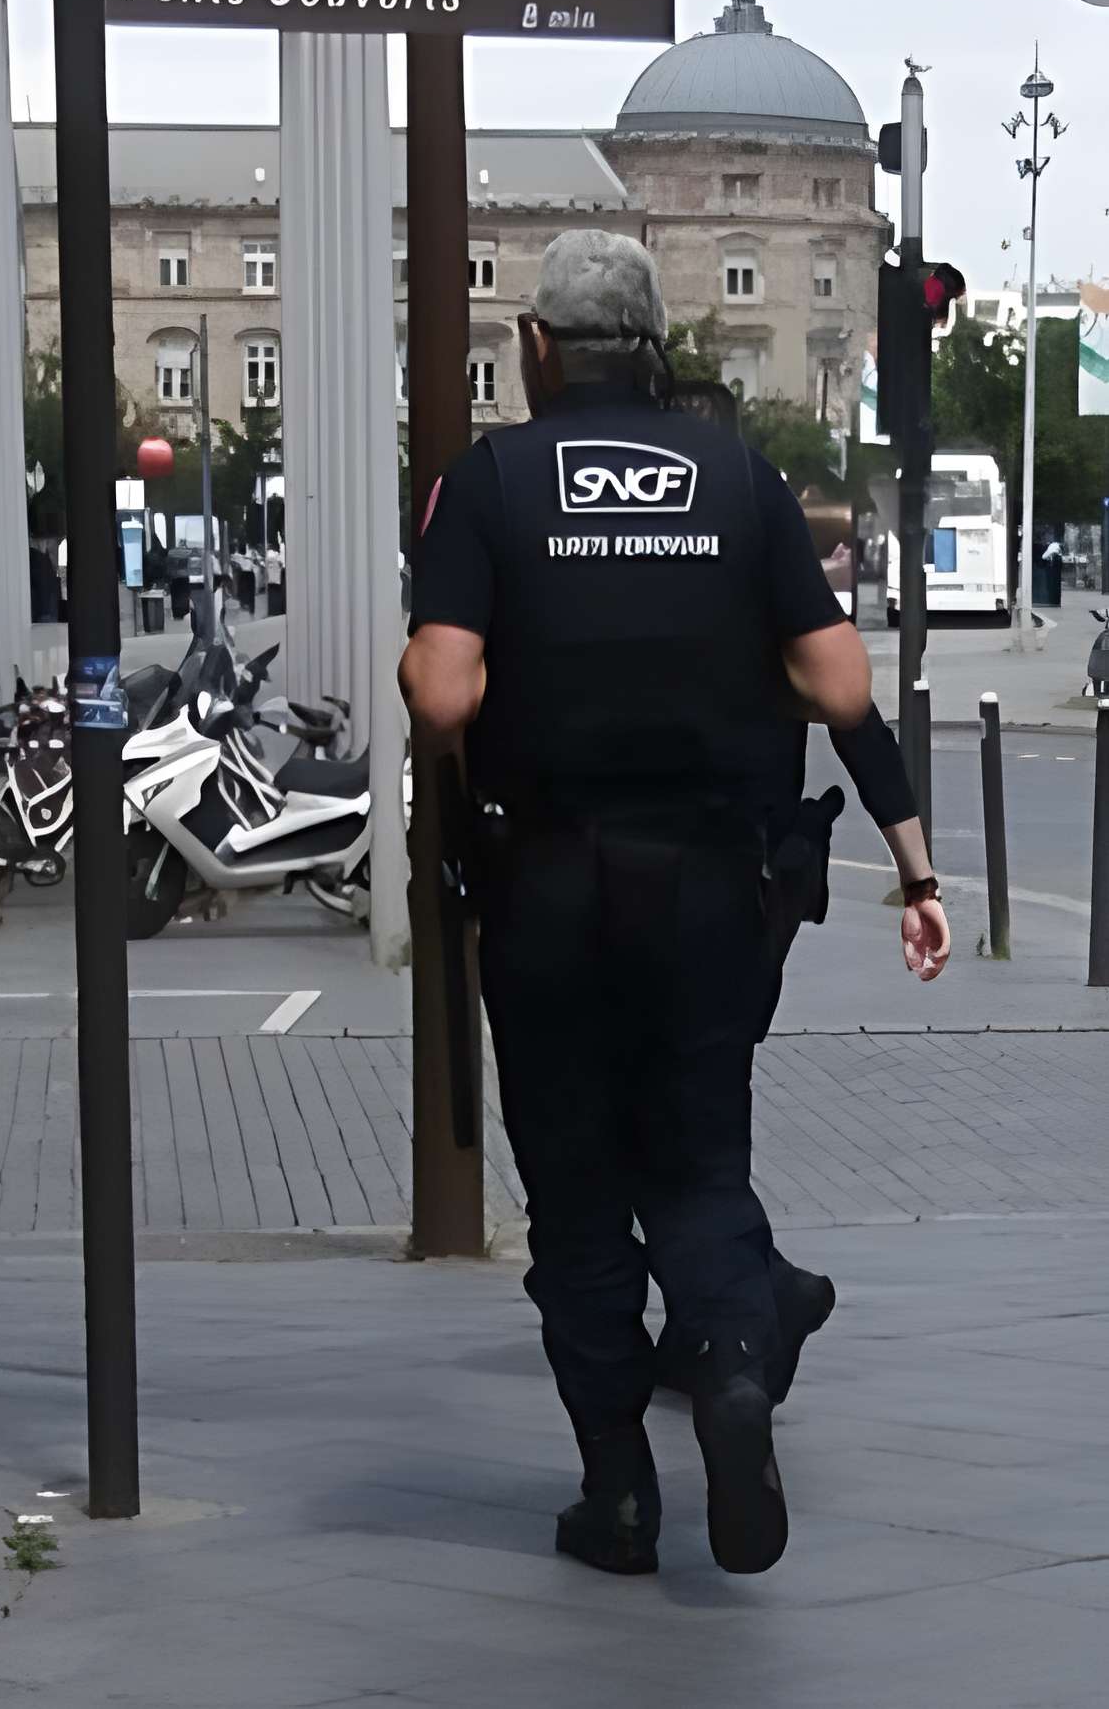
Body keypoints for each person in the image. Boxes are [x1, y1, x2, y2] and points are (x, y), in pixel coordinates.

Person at [401, 232, 917, 1581]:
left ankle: (619, 1492)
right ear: (655, 348)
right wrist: (913, 862)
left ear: (537, 351)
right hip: (704, 885)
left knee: (575, 1197)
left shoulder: (491, 484)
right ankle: (737, 1378)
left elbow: (446, 695)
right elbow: (842, 688)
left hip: (546, 885)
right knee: (697, 1163)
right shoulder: (742, 484)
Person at [654, 379, 949, 1402]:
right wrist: (917, 875)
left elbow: (856, 717)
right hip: (747, 888)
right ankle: (735, 1309)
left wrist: (918, 875)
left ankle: (746, 1311)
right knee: (698, 1112)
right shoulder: (762, 568)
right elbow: (856, 719)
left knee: (667, 1120)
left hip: (671, 886)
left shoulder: (630, 580)